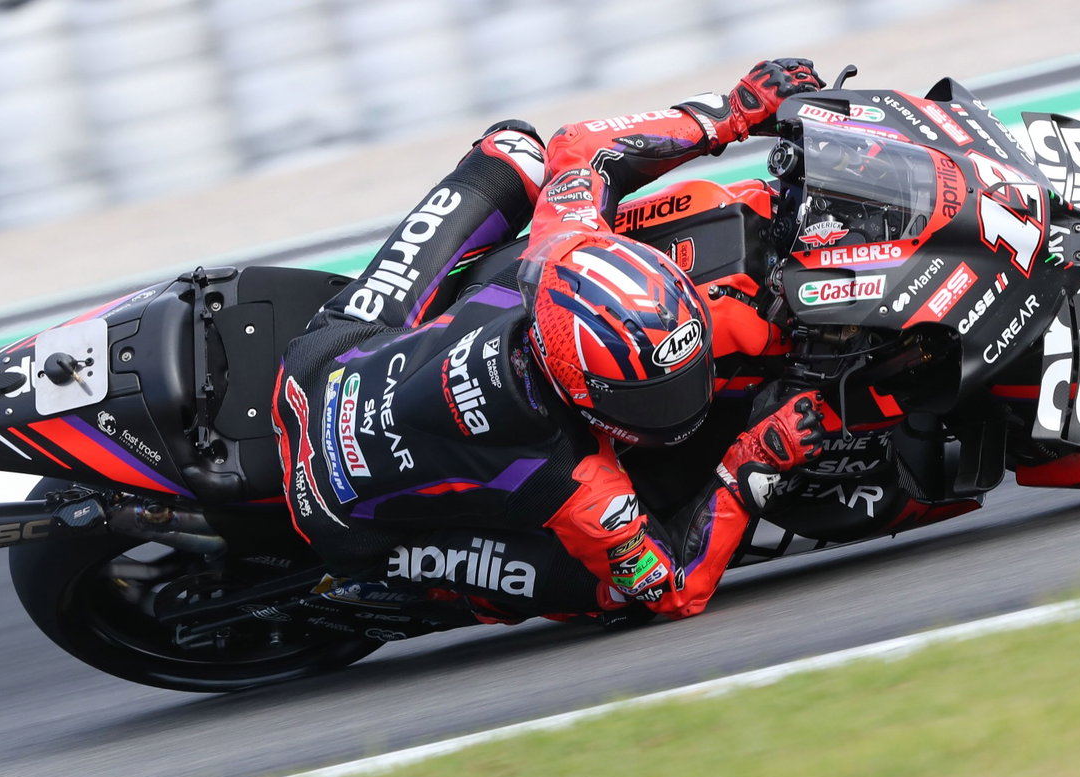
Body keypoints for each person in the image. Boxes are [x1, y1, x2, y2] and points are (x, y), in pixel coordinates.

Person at [274, 59, 831, 624]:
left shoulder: (566, 241)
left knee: (512, 150)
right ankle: (417, 583)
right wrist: (747, 465)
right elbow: (674, 589)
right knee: (615, 593)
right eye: (648, 398)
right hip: (335, 512)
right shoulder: (584, 486)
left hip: (321, 364)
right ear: (581, 393)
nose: (681, 404)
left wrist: (730, 114)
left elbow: (582, 145)